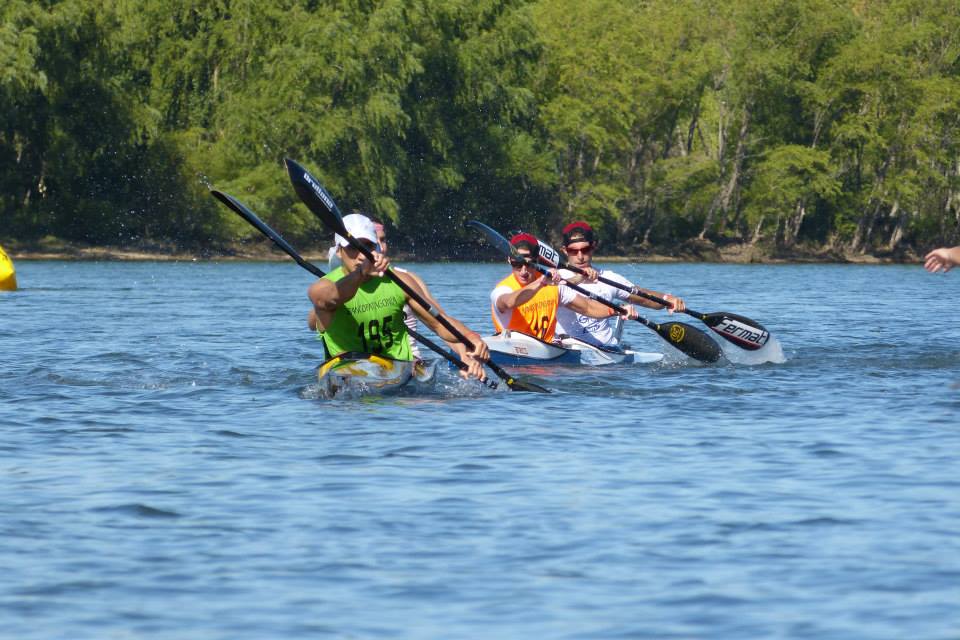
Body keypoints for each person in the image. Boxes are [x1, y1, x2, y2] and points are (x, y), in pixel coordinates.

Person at [308, 213, 488, 380]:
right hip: (345, 371)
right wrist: (361, 273)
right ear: (339, 251)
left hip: (397, 371)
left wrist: (471, 337)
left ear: (376, 247)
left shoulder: (401, 281)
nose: (362, 255)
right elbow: (328, 299)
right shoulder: (323, 287)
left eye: (368, 246)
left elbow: (439, 324)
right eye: (353, 247)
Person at [554, 221, 686, 349]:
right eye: (573, 251)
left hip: (607, 351)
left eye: (585, 249)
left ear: (593, 247)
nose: (580, 256)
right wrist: (579, 278)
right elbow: (551, 292)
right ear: (565, 250)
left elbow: (645, 298)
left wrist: (667, 300)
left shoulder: (609, 277)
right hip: (565, 347)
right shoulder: (555, 278)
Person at [490, 232, 625, 343]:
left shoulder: (553, 285)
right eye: (517, 264)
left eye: (529, 264)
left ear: (537, 260)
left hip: (549, 358)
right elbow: (509, 302)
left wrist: (617, 310)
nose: (523, 271)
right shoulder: (502, 290)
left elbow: (587, 307)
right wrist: (541, 283)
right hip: (513, 352)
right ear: (509, 260)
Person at [328, 217, 427, 360]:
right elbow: (314, 322)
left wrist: (461, 347)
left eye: (382, 240)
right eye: (356, 246)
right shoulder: (335, 283)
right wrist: (326, 306)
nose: (381, 246)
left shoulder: (407, 279)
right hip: (355, 362)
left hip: (406, 363)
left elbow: (439, 321)